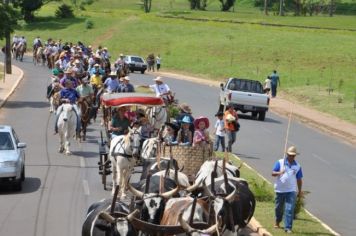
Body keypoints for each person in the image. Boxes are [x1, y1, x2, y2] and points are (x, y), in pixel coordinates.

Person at [272, 146, 303, 234]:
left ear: (295, 156)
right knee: (278, 208)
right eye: (290, 155)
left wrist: (299, 191)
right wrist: (279, 172)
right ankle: (277, 221)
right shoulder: (280, 162)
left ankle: (288, 227)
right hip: (280, 190)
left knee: (289, 209)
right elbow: (273, 173)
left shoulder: (297, 166)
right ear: (287, 154)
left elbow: (299, 179)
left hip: (291, 190)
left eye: (293, 155)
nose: (291, 157)